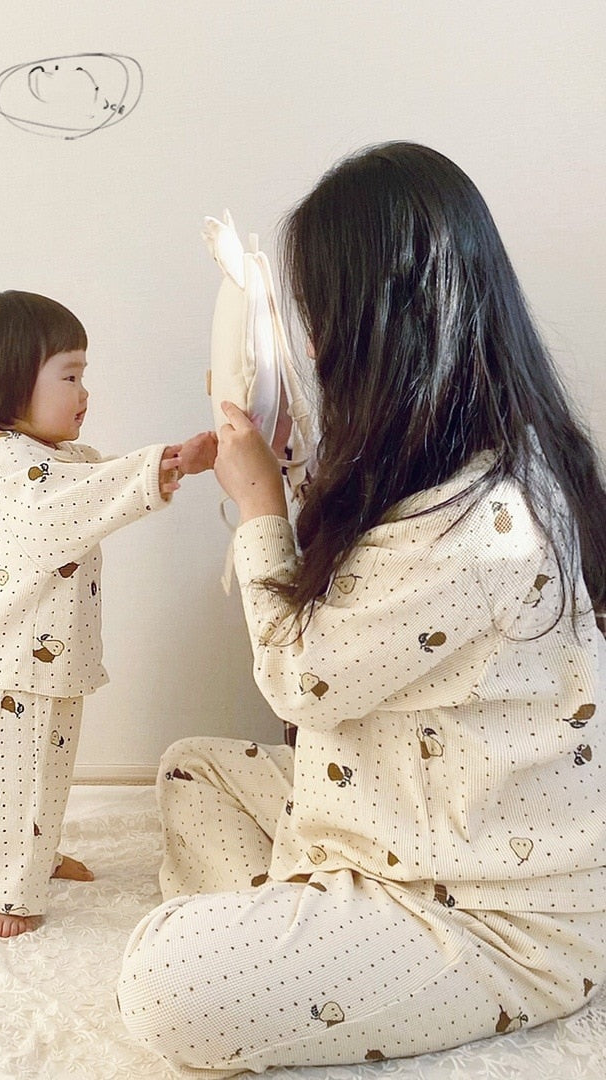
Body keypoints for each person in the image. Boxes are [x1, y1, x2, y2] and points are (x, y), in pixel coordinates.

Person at [118, 142, 606, 1071]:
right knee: (193, 770)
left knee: (160, 982)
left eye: (316, 321)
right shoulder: (444, 457)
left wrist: (259, 508)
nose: (308, 349)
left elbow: (300, 679)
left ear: (378, 327)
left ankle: (287, 953)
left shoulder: (484, 523)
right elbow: (361, 605)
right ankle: (296, 942)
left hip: (491, 910)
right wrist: (286, 465)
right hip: (378, 814)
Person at [0, 290, 216, 938]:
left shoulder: (56, 461)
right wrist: (168, 464)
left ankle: (33, 856)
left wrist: (172, 462)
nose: (84, 392)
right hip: (5, 667)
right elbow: (88, 496)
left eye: (82, 375)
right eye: (69, 376)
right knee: (2, 787)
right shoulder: (14, 469)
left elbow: (100, 478)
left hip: (44, 664)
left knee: (43, 773)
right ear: (10, 384)